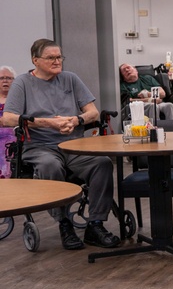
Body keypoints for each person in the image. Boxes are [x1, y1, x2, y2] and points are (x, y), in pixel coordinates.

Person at [1, 39, 120, 249]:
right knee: (50, 166)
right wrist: (48, 123)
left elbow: (92, 111)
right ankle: (64, 223)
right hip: (39, 146)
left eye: (59, 57)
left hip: (73, 145)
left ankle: (95, 224)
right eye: (51, 58)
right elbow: (8, 118)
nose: (57, 61)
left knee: (102, 163)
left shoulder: (70, 79)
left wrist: (76, 120)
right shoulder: (22, 83)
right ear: (35, 60)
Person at [0, 65, 17, 178]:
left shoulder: (18, 99)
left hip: (12, 135)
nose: (5, 81)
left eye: (9, 78)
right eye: (1, 78)